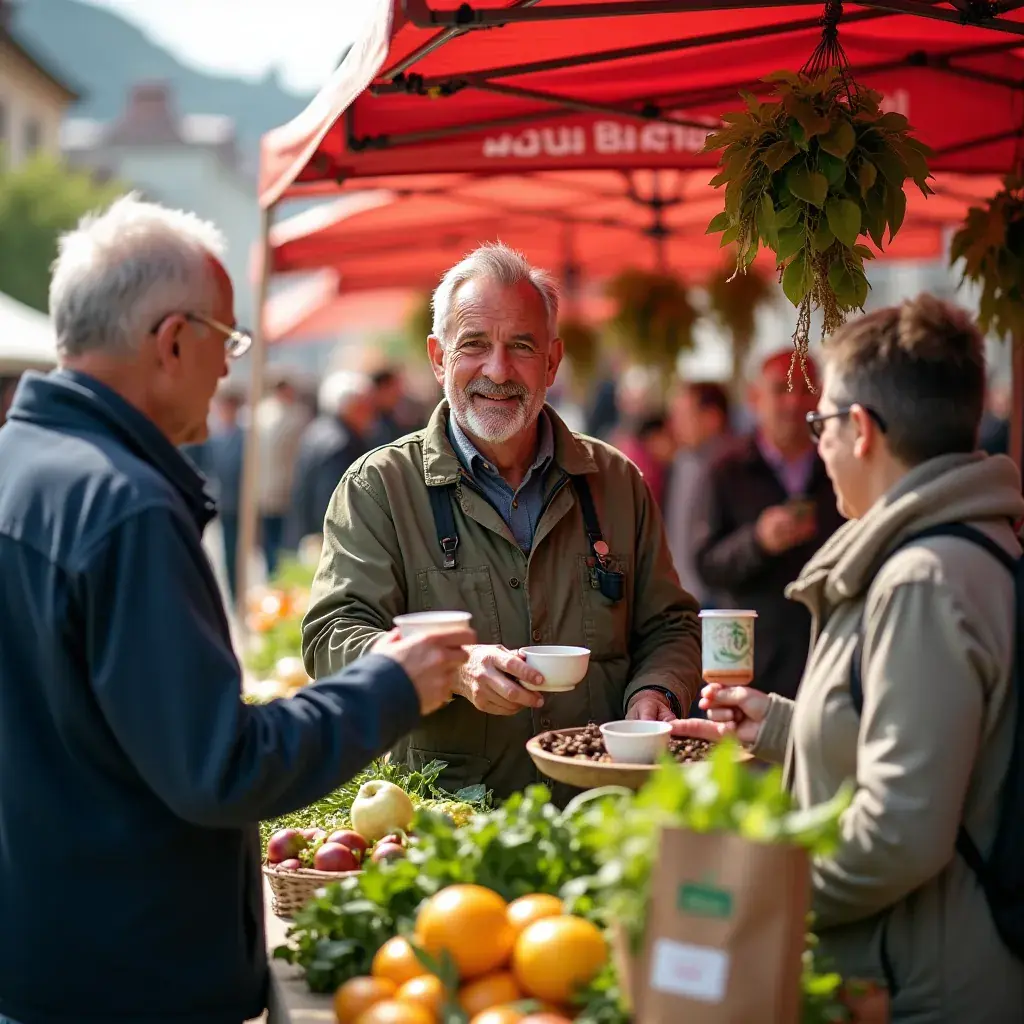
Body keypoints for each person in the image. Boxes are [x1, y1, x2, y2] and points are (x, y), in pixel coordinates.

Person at [0, 195, 475, 1024]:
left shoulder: (18, 464)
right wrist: (390, 685)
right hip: (133, 978)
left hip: (44, 951)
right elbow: (222, 767)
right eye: (226, 340)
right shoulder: (125, 506)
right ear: (172, 339)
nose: (228, 369)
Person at [676, 295, 1024, 1022]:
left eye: (822, 422)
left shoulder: (924, 579)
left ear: (860, 431)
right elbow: (915, 738)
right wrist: (779, 727)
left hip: (924, 988)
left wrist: (741, 894)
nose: (818, 442)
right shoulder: (950, 553)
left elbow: (898, 833)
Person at [302, 241, 702, 799]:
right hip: (449, 825)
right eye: (473, 345)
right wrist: (452, 668)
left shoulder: (614, 481)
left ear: (553, 361)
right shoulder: (380, 487)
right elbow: (330, 640)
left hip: (602, 808)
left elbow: (671, 625)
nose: (498, 369)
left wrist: (657, 691)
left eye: (521, 345)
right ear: (438, 357)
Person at [693, 351, 844, 700]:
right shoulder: (725, 469)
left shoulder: (840, 465)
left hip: (828, 654)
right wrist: (757, 542)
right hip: (751, 663)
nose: (793, 403)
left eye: (804, 390)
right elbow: (706, 565)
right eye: (780, 390)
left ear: (821, 396)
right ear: (755, 398)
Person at [287, 370, 376, 548]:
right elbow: (333, 504)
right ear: (352, 407)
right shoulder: (341, 444)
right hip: (330, 541)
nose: (372, 413)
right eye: (366, 405)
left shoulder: (319, 430)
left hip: (310, 534)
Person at [663, 380, 732, 605]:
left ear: (712, 418)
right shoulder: (683, 462)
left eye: (683, 415)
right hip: (684, 591)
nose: (674, 425)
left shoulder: (732, 467)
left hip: (718, 599)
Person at [185, 381, 245, 600]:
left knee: (244, 552)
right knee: (227, 553)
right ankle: (233, 594)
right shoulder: (213, 438)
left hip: (242, 502)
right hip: (223, 502)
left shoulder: (244, 436)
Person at [254, 370, 308, 577]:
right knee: (280, 541)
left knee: (275, 541)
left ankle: (275, 576)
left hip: (273, 488)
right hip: (283, 488)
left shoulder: (261, 414)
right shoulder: (292, 416)